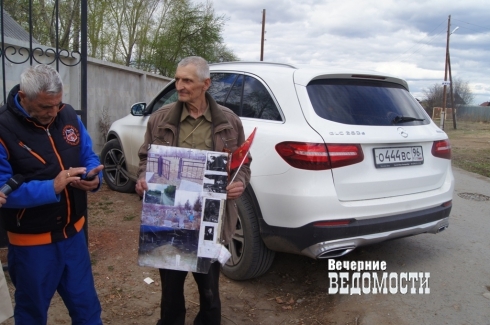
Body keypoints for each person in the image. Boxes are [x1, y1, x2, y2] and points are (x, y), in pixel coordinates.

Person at [135, 56, 251, 325]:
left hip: (211, 220)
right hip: (170, 218)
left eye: (187, 80)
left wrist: (240, 182)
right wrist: (143, 178)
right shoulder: (160, 119)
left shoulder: (229, 122)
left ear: (206, 84)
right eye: (177, 79)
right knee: (171, 293)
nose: (179, 85)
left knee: (209, 294)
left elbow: (243, 163)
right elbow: (145, 159)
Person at [0, 64, 104, 324]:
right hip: (32, 244)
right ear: (24, 97)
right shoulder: (3, 129)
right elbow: (3, 190)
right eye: (46, 107)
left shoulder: (68, 115)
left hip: (74, 236)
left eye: (58, 104)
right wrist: (51, 187)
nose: (53, 112)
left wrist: (93, 177)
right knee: (32, 313)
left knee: (88, 309)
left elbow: (88, 154)